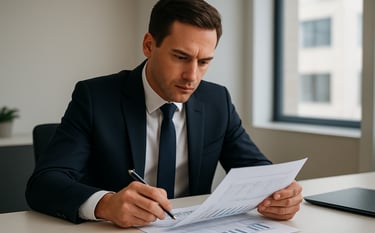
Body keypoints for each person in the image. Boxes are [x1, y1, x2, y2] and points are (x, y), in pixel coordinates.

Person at [26, 0, 303, 228]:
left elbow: (254, 169)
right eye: (181, 57)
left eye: (204, 61)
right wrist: (106, 204)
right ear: (149, 45)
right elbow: (44, 183)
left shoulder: (216, 99)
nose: (192, 77)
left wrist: (280, 193)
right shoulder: (95, 97)